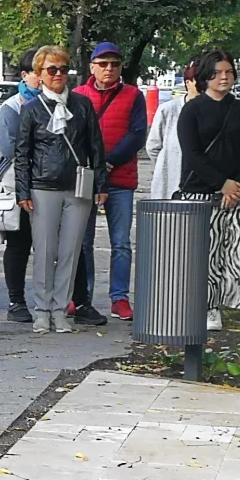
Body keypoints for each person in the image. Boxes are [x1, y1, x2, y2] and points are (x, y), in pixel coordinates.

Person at [14, 44, 103, 334]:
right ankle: (42, 311)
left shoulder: (82, 105)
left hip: (77, 187)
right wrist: (22, 191)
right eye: (52, 69)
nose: (58, 75)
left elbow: (95, 147)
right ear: (38, 74)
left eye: (63, 69)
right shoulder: (30, 109)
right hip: (43, 187)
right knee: (44, 251)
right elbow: (22, 153)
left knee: (70, 252)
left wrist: (101, 183)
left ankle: (61, 309)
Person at [177, 49, 240, 331]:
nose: (224, 77)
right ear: (205, 77)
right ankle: (209, 306)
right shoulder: (192, 110)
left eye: (228, 72)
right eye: (217, 73)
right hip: (202, 192)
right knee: (208, 251)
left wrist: (237, 184)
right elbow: (192, 154)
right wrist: (221, 183)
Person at [70, 41, 147, 324]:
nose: (109, 69)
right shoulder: (78, 95)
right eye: (103, 64)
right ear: (92, 67)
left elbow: (137, 134)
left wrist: (108, 161)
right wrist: (92, 165)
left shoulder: (132, 96)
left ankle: (120, 298)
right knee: (83, 241)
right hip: (86, 178)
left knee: (121, 242)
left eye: (114, 64)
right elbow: (72, 135)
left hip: (120, 178)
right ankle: (82, 298)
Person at [0, 49, 42, 323]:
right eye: (39, 71)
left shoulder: (61, 104)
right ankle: (16, 301)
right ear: (25, 75)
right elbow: (10, 148)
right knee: (18, 244)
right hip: (17, 184)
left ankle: (59, 301)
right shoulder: (11, 107)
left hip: (51, 185)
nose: (45, 77)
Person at [146, 63, 196, 200]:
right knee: (169, 220)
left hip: (202, 189)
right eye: (199, 80)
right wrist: (166, 167)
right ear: (188, 83)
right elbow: (153, 146)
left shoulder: (214, 112)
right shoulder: (168, 109)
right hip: (170, 186)